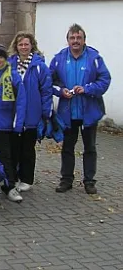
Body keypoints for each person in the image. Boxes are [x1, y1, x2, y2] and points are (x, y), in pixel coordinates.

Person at [49, 24, 111, 195]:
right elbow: (49, 82)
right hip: (68, 112)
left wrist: (88, 89)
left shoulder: (94, 58)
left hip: (89, 111)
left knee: (90, 147)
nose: (75, 41)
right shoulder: (58, 58)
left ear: (84, 40)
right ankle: (66, 180)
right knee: (67, 147)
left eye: (79, 38)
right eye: (72, 38)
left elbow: (105, 80)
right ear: (67, 40)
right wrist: (60, 91)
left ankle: (89, 181)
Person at [8, 32, 53, 192]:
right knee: (13, 148)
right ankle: (12, 177)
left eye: (26, 44)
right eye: (21, 44)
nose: (24, 47)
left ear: (32, 45)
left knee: (27, 149)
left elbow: (46, 91)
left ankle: (27, 179)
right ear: (16, 46)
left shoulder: (40, 66)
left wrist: (46, 113)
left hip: (32, 114)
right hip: (13, 114)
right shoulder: (9, 64)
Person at [0, 44, 26, 203]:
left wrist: (18, 123)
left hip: (5, 124)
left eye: (1, 56)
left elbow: (21, 102)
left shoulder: (14, 76)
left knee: (6, 157)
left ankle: (10, 186)